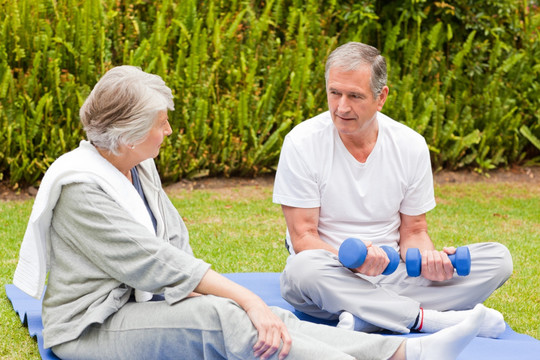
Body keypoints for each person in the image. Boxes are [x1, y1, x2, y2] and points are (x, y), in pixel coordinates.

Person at [13, 65, 488, 360]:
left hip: (141, 306)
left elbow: (174, 241)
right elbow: (155, 263)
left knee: (271, 316)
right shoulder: (82, 191)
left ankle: (404, 351)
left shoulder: (135, 163)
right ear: (131, 134)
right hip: (90, 330)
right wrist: (246, 300)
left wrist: (227, 298)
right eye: (162, 123)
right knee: (230, 320)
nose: (170, 131)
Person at [273, 42, 513, 337]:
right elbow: (303, 238)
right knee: (302, 269)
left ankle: (368, 318)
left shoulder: (410, 145)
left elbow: (414, 231)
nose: (342, 107)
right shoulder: (302, 142)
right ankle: (426, 320)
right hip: (330, 276)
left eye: (355, 96)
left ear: (381, 97)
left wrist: (430, 261)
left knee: (498, 259)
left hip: (395, 276)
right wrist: (356, 262)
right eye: (334, 93)